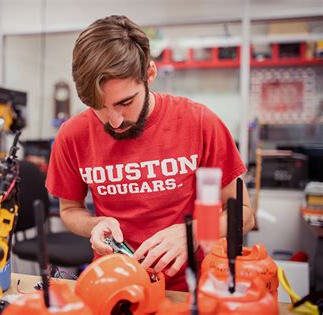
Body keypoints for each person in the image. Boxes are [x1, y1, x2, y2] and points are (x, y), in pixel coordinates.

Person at [45, 15, 255, 291]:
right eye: (100, 107)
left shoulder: (199, 123)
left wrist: (193, 232)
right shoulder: (72, 135)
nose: (114, 122)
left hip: (189, 289)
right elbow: (70, 209)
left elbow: (244, 214)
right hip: (112, 285)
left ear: (150, 74)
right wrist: (94, 224)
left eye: (125, 103)